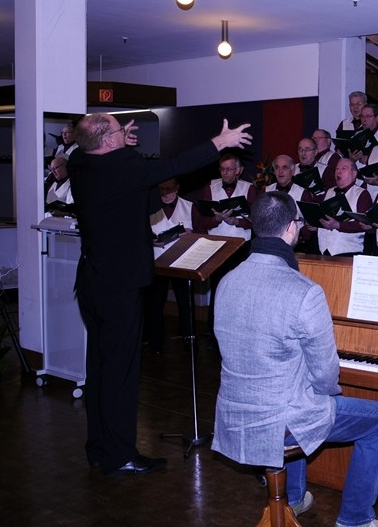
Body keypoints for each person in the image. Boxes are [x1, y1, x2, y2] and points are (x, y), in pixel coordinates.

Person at [69, 113, 251, 475]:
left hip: (92, 279)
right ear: (107, 143)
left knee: (100, 366)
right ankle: (120, 455)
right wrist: (219, 142)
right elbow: (175, 165)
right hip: (119, 285)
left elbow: (142, 190)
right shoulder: (123, 168)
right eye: (121, 131)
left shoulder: (78, 161)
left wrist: (121, 143)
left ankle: (98, 446)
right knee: (121, 371)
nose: (126, 133)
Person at [211, 191, 378, 527]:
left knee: (295, 387)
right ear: (290, 229)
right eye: (299, 221)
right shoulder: (304, 290)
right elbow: (327, 376)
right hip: (280, 420)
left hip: (235, 413)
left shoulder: (226, 281)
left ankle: (295, 499)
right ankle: (356, 519)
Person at [143, 177, 195, 353]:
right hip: (158, 261)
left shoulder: (189, 207)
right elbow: (142, 232)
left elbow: (201, 232)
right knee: (155, 303)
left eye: (169, 189)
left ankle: (188, 337)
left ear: (178, 188)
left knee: (185, 302)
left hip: (182, 262)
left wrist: (190, 235)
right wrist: (151, 240)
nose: (165, 194)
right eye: (161, 190)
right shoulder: (150, 207)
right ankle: (155, 342)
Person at [316, 158, 374, 257]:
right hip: (323, 251)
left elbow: (364, 224)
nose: (338, 171)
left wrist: (338, 225)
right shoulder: (329, 191)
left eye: (344, 168)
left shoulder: (362, 194)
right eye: (337, 169)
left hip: (349, 251)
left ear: (354, 174)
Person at [193, 153, 258, 241]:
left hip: (241, 243)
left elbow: (256, 221)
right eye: (222, 169)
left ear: (237, 170)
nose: (225, 172)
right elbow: (201, 220)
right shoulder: (210, 187)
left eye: (228, 169)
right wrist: (216, 219)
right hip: (214, 242)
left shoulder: (249, 188)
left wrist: (237, 221)